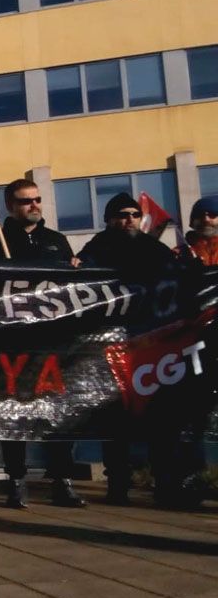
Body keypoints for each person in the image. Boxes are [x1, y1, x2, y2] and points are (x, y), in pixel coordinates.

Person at [77, 192, 202, 508]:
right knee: (114, 421)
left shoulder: (155, 250)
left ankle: (166, 485)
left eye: (134, 214)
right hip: (109, 351)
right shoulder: (95, 250)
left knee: (163, 420)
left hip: (153, 349)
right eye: (121, 215)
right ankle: (118, 486)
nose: (129, 219)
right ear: (109, 220)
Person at [0, 179, 85, 509]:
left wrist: (78, 270)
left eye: (37, 199)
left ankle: (62, 480)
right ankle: (16, 480)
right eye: (26, 201)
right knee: (15, 415)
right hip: (12, 345)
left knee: (58, 413)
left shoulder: (56, 242)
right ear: (11, 206)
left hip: (52, 343)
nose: (34, 205)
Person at [185, 195, 218, 266]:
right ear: (193, 222)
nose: (206, 219)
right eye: (199, 215)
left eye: (212, 214)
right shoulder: (181, 253)